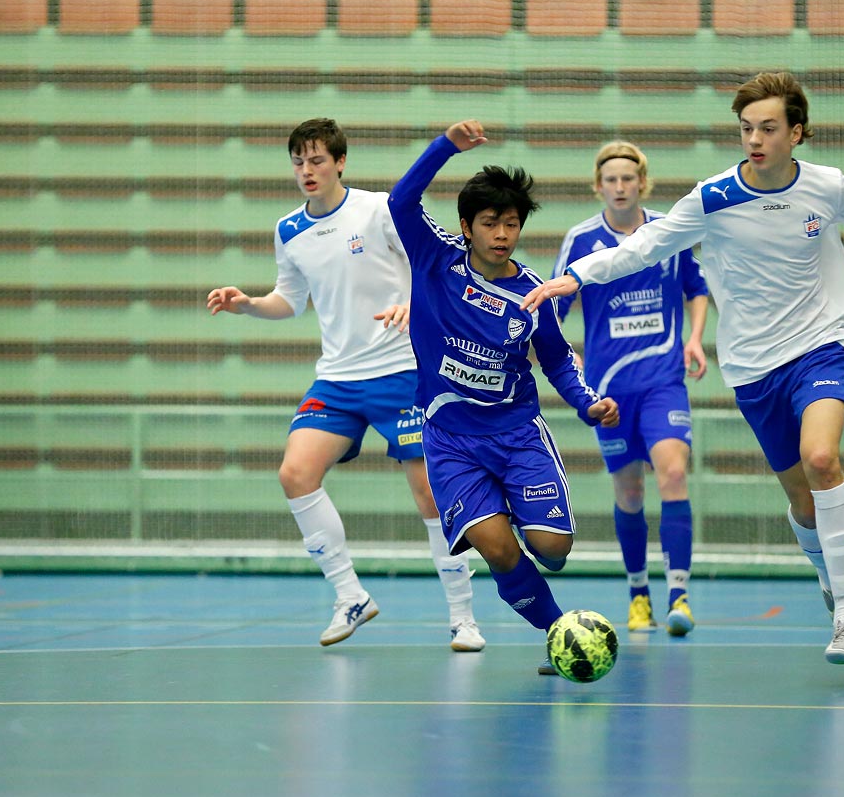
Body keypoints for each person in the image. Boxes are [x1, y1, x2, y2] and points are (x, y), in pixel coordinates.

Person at [523, 72, 844, 664]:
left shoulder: (828, 187)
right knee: (801, 500)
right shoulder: (712, 198)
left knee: (823, 459)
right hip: (751, 365)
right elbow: (646, 245)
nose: (755, 139)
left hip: (819, 344)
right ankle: (829, 570)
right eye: (747, 128)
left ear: (796, 132)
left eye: (769, 127)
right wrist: (577, 275)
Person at [205, 117, 485, 653]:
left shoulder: (379, 210)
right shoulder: (289, 230)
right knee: (295, 472)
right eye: (298, 162)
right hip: (337, 379)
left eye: (316, 161)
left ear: (339, 162)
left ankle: (462, 618)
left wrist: (412, 305)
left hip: (403, 371)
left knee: (432, 494)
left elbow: (435, 267)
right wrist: (248, 305)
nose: (306, 171)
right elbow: (289, 301)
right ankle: (349, 595)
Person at [386, 119, 620, 676]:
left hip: (517, 435)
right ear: (467, 225)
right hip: (450, 441)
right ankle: (559, 631)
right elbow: (401, 200)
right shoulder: (436, 259)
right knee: (497, 548)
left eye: (511, 223)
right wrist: (447, 146)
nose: (502, 233)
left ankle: (518, 508)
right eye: (490, 222)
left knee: (554, 548)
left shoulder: (532, 294)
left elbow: (559, 360)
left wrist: (588, 404)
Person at [552, 141, 709, 637]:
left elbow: (697, 289)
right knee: (629, 489)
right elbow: (554, 315)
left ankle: (679, 593)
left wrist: (696, 339)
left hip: (664, 380)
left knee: (673, 474)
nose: (620, 187)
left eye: (628, 178)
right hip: (610, 391)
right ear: (598, 186)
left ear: (642, 183)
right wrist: (571, 364)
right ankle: (638, 592)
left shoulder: (668, 231)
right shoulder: (580, 241)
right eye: (611, 180)